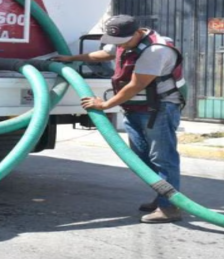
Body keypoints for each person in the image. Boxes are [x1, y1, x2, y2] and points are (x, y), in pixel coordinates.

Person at [53, 15, 184, 224]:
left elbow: (135, 85)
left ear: (137, 32)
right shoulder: (125, 40)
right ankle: (163, 196)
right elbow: (104, 54)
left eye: (122, 41)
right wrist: (72, 59)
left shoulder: (155, 50)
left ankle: (169, 207)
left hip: (158, 108)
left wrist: (104, 105)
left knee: (162, 158)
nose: (118, 46)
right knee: (141, 157)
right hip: (134, 107)